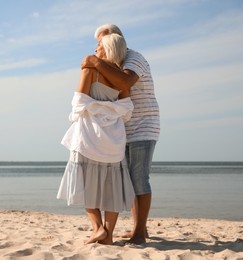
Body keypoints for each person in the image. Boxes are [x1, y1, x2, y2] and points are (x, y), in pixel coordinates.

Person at [81, 24, 160, 245]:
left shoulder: (133, 58)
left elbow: (125, 82)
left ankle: (139, 233)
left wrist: (95, 62)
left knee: (139, 179)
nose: (98, 46)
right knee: (127, 179)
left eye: (101, 41)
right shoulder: (112, 63)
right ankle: (139, 230)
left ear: (116, 39)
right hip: (122, 129)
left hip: (143, 126)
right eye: (97, 43)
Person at [57, 33, 135, 245]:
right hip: (113, 137)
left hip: (89, 134)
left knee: (83, 180)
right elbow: (127, 109)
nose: (95, 50)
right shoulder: (121, 76)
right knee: (113, 186)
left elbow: (79, 101)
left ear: (108, 49)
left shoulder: (90, 69)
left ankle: (98, 228)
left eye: (99, 46)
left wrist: (94, 108)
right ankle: (108, 236)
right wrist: (109, 108)